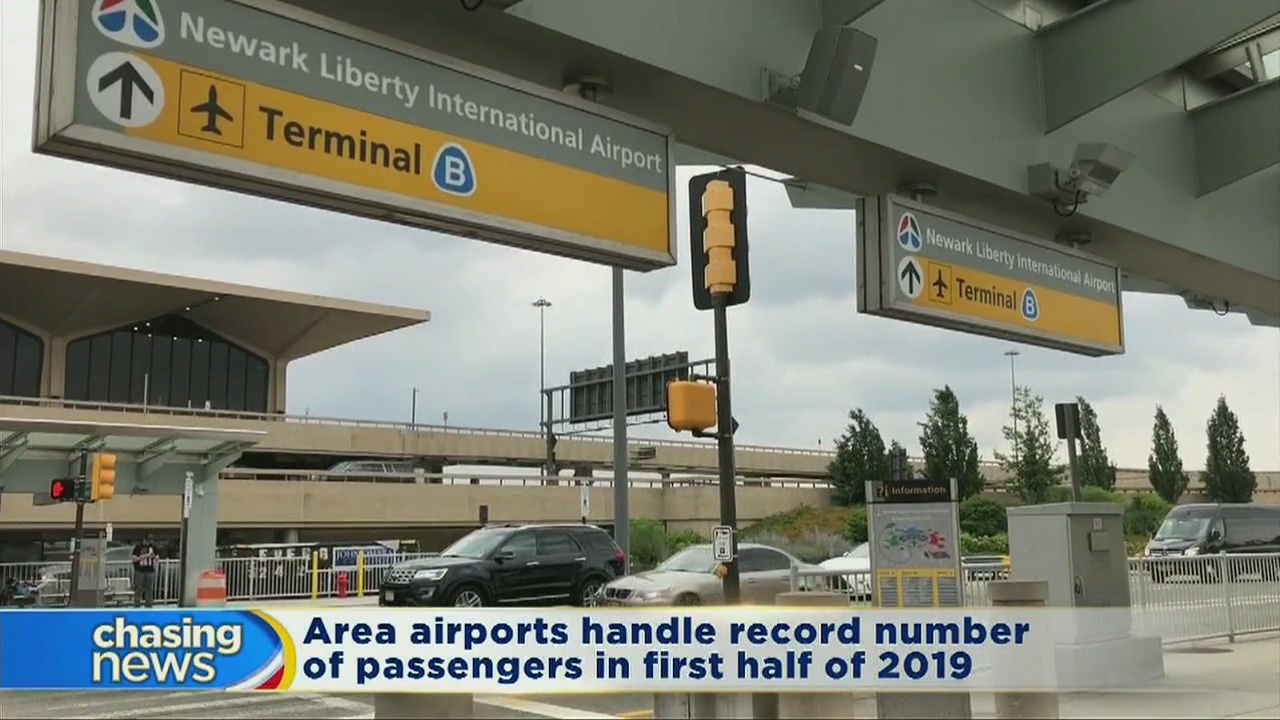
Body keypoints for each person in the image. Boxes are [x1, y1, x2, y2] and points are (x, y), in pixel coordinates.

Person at [131, 535, 159, 608]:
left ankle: (149, 605)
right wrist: (145, 556)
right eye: (148, 540)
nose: (149, 542)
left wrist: (155, 557)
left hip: (150, 570)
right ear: (144, 540)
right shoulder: (138, 547)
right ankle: (137, 604)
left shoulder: (153, 547)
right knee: (138, 589)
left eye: (150, 541)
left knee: (149, 589)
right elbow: (134, 559)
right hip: (140, 571)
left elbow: (157, 556)